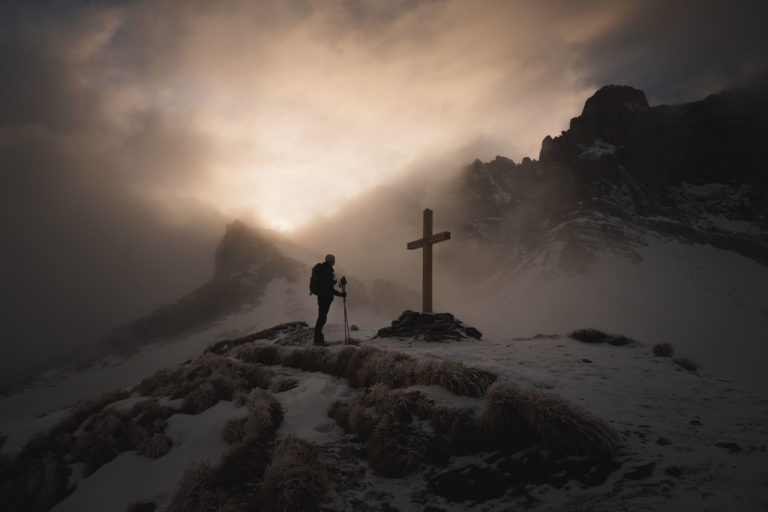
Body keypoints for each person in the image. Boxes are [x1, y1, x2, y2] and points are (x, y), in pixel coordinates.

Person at [312, 254, 346, 345]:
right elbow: (329, 289)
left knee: (322, 317)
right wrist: (340, 294)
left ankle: (318, 339)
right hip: (325, 297)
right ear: (331, 261)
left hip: (322, 297)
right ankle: (318, 340)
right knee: (322, 318)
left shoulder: (325, 270)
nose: (334, 261)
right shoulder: (327, 271)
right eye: (333, 260)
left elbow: (328, 286)